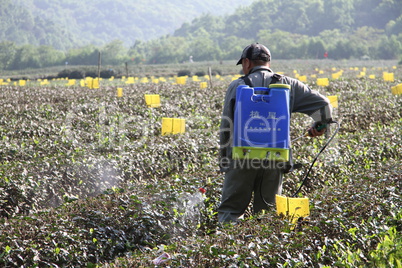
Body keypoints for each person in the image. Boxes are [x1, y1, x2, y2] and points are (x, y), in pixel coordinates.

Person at [218, 43, 332, 223]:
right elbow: (324, 105)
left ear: (247, 62)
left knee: (231, 211)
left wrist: (225, 161)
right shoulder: (288, 84)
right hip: (276, 158)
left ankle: (234, 247)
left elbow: (226, 126)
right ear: (268, 62)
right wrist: (320, 125)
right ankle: (263, 248)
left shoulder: (238, 85)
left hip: (241, 157)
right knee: (267, 214)